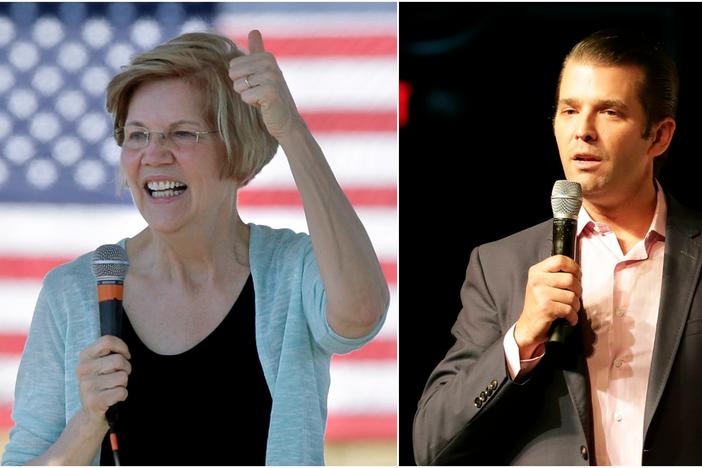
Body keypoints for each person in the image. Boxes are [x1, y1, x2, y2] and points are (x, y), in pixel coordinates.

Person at [2, 30, 389, 466]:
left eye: (182, 134)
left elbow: (360, 316)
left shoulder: (292, 269)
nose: (154, 154)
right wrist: (87, 423)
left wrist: (290, 130)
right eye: (137, 135)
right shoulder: (71, 292)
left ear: (238, 152)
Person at [413, 29, 702, 465]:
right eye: (569, 110)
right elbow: (431, 445)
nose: (582, 131)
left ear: (659, 136)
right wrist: (522, 337)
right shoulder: (500, 266)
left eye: (609, 112)